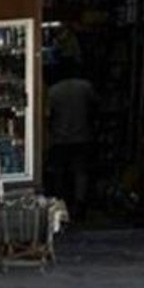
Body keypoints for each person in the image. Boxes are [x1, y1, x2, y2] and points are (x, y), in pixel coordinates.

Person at [47, 61, 97, 222]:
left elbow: (48, 115)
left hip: (59, 137)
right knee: (80, 171)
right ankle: (80, 203)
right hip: (82, 135)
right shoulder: (85, 87)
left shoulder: (53, 91)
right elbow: (95, 106)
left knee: (59, 172)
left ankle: (61, 205)